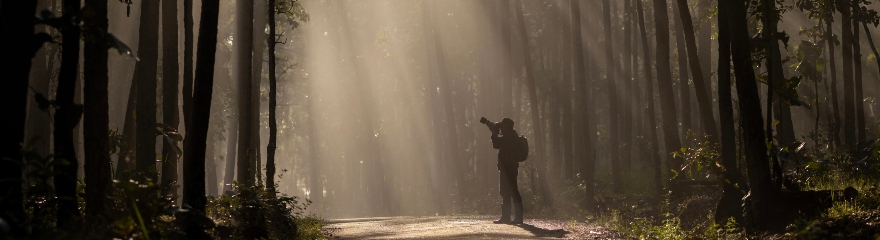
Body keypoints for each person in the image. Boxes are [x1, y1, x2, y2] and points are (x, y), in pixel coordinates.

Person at [490, 118, 523, 224]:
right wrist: (495, 134)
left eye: (502, 126)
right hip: (505, 168)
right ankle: (506, 217)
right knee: (505, 192)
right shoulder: (509, 136)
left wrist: (494, 134)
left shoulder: (510, 136)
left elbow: (496, 143)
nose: (501, 128)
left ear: (507, 127)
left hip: (510, 167)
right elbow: (497, 145)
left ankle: (518, 217)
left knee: (513, 190)